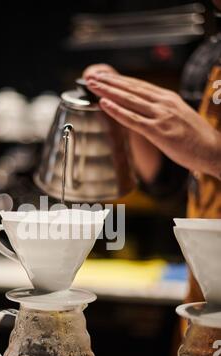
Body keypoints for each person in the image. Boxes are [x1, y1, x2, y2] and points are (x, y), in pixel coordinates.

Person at [83, 1, 221, 304]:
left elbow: (209, 156)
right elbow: (168, 182)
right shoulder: (207, 55)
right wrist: (125, 112)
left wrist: (214, 154)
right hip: (204, 302)